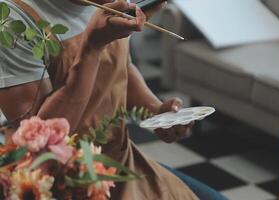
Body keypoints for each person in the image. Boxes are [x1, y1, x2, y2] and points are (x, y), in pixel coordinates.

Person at [0, 0, 228, 199]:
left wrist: (155, 109)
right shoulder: (14, 20)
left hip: (121, 160)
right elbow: (38, 145)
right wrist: (91, 49)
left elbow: (122, 68)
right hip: (63, 183)